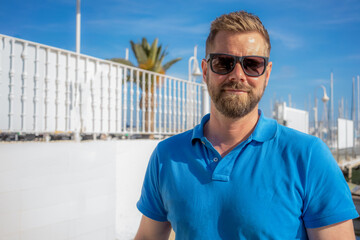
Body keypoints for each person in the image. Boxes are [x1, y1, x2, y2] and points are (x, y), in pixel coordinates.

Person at [134, 11, 359, 239]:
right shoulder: (167, 156)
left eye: (252, 64)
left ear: (267, 74)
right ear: (205, 71)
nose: (238, 75)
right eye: (224, 63)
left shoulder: (308, 156)